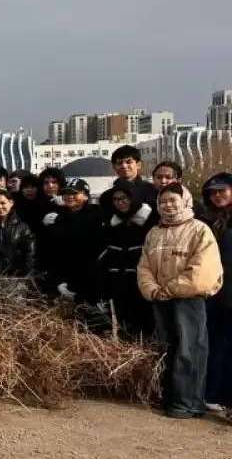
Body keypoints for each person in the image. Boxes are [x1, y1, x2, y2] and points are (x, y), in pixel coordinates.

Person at [137, 183, 223, 419]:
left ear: (185, 201)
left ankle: (189, 403)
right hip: (160, 300)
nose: (168, 205)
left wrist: (172, 289)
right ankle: (171, 398)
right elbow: (144, 266)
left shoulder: (199, 230)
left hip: (189, 300)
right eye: (163, 201)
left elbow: (203, 270)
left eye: (173, 200)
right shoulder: (155, 232)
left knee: (190, 350)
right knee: (167, 349)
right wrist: (152, 289)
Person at [96, 180, 156, 339]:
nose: (120, 203)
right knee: (123, 333)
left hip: (144, 288)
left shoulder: (151, 222)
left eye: (125, 198)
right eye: (116, 199)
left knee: (147, 333)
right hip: (118, 287)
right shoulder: (111, 225)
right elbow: (104, 259)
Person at [40, 179, 105, 306]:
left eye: (74, 193)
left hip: (91, 281)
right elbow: (51, 252)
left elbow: (96, 253)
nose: (69, 196)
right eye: (66, 193)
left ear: (85, 196)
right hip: (63, 281)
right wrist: (58, 281)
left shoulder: (97, 216)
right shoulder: (57, 218)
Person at [200, 173, 232, 413]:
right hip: (211, 292)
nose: (217, 195)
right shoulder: (207, 221)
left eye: (222, 190)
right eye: (213, 192)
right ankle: (212, 393)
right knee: (213, 344)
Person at [99, 146, 157, 218]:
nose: (124, 166)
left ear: (138, 165)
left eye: (129, 162)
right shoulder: (107, 196)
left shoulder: (152, 191)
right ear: (114, 167)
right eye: (119, 163)